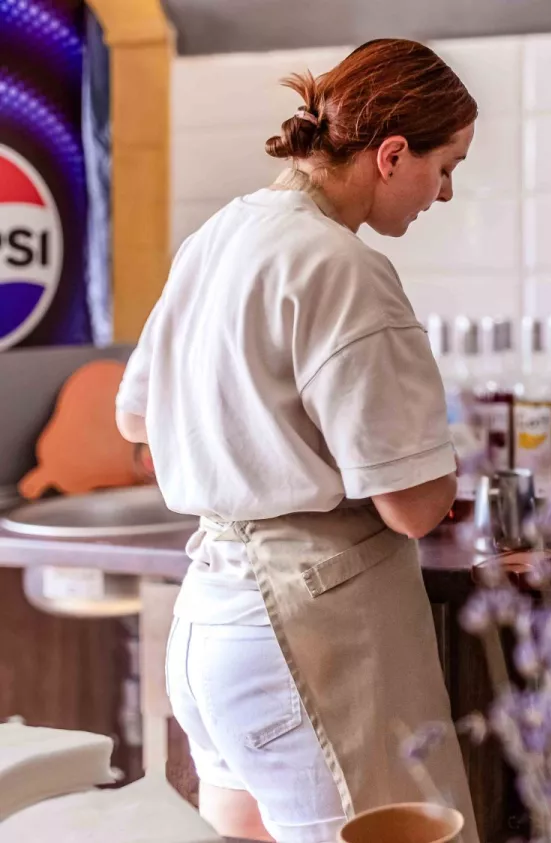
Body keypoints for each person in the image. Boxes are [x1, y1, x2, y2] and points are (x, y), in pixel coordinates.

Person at [115, 39, 480, 843]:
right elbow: (415, 506)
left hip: (212, 626)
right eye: (444, 165)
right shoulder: (343, 266)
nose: (444, 192)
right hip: (306, 639)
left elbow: (135, 418)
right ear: (391, 154)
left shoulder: (219, 235)